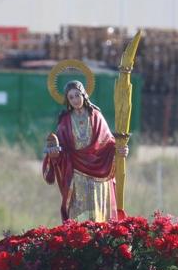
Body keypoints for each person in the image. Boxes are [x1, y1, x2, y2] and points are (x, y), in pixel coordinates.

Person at [42, 79, 125, 222]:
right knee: (80, 215)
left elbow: (108, 142)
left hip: (99, 173)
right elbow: (59, 148)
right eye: (71, 97)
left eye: (77, 95)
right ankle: (80, 242)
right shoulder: (66, 120)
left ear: (84, 94)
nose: (75, 100)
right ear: (68, 100)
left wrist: (119, 150)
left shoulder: (96, 116)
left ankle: (102, 241)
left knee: (99, 214)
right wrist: (55, 154)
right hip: (77, 174)